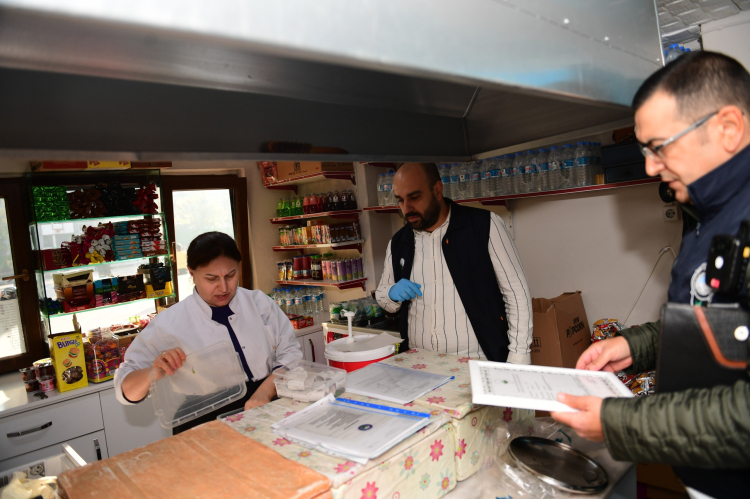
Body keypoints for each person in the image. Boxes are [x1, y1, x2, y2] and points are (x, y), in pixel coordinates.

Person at [551, 51, 750, 498]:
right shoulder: (707, 213)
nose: (650, 167)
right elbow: (719, 323)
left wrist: (617, 423)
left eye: (660, 146)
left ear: (728, 128)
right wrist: (634, 346)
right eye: (645, 151)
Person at [114, 231, 302, 433]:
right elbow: (126, 391)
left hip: (266, 402)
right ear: (192, 273)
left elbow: (291, 353)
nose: (224, 287)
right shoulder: (168, 324)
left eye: (231, 275)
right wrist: (153, 371)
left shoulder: (258, 303)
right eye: (212, 278)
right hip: (203, 419)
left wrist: (265, 391)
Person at [375, 163, 532, 363]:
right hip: (419, 363)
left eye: (414, 197)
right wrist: (390, 293)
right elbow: (383, 296)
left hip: (478, 362)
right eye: (400, 200)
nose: (406, 208)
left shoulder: (485, 225)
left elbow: (517, 294)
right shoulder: (399, 242)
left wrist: (519, 354)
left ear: (437, 190)